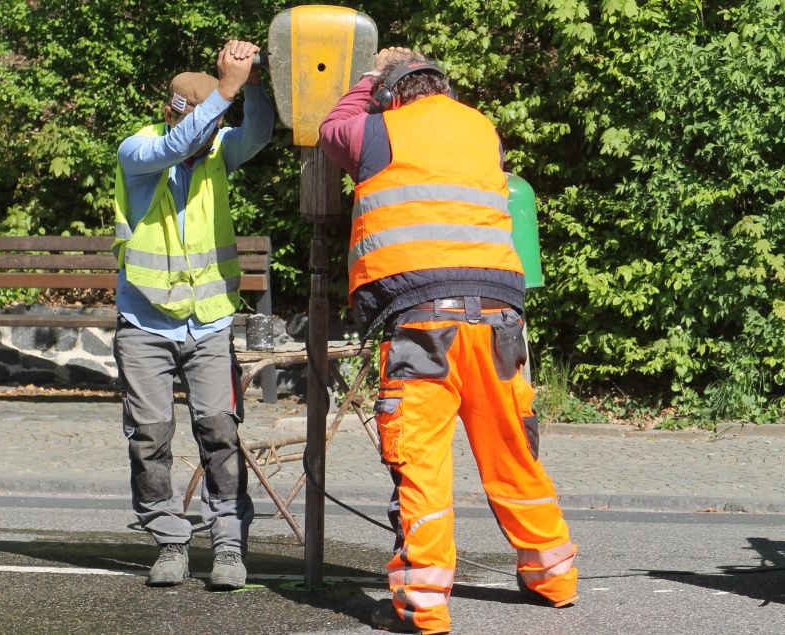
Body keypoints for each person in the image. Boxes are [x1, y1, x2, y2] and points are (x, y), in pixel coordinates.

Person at [319, 47, 578, 634]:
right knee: (513, 450)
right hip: (499, 322)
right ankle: (553, 577)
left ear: (392, 96)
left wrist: (366, 79)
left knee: (422, 465)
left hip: (421, 326)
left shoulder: (381, 131)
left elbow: (331, 130)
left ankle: (426, 607)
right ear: (446, 91)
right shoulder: (484, 131)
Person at [111, 39, 274, 590]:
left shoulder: (215, 150)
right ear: (173, 114)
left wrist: (250, 83)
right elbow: (181, 141)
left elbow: (257, 134)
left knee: (219, 432)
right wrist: (223, 91)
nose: (208, 141)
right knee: (149, 437)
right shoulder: (138, 150)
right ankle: (169, 541)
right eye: (203, 128)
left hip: (206, 324)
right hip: (144, 325)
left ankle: (228, 543)